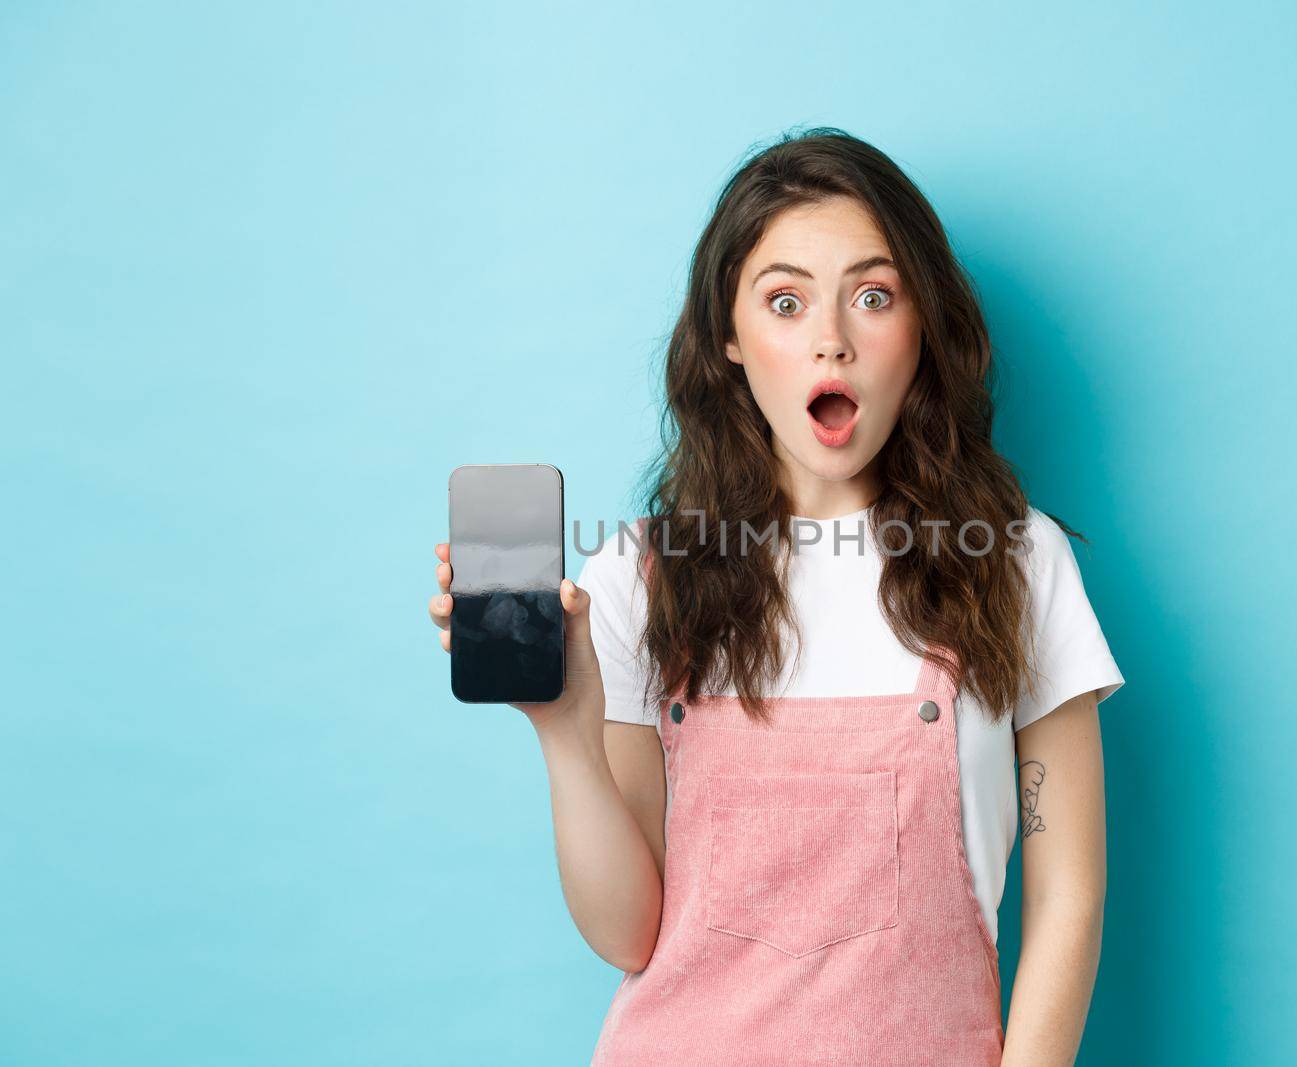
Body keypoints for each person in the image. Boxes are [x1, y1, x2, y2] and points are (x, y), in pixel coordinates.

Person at [427, 127, 1125, 1065]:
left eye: (873, 297)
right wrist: (562, 725)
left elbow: (1069, 897)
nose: (831, 341)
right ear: (729, 338)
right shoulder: (640, 575)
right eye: (786, 303)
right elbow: (629, 934)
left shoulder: (1015, 561)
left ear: (923, 328)